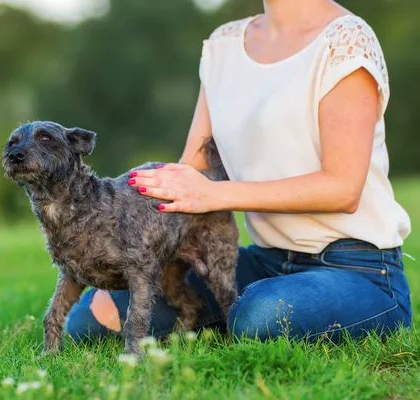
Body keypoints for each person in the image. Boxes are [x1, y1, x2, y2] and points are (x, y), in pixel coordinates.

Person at [64, 0, 413, 342]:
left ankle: (362, 308)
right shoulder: (224, 45)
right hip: (264, 261)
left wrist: (213, 193)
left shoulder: (346, 40)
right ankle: (230, 311)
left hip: (355, 267)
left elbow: (343, 189)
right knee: (94, 318)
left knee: (258, 316)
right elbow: (192, 169)